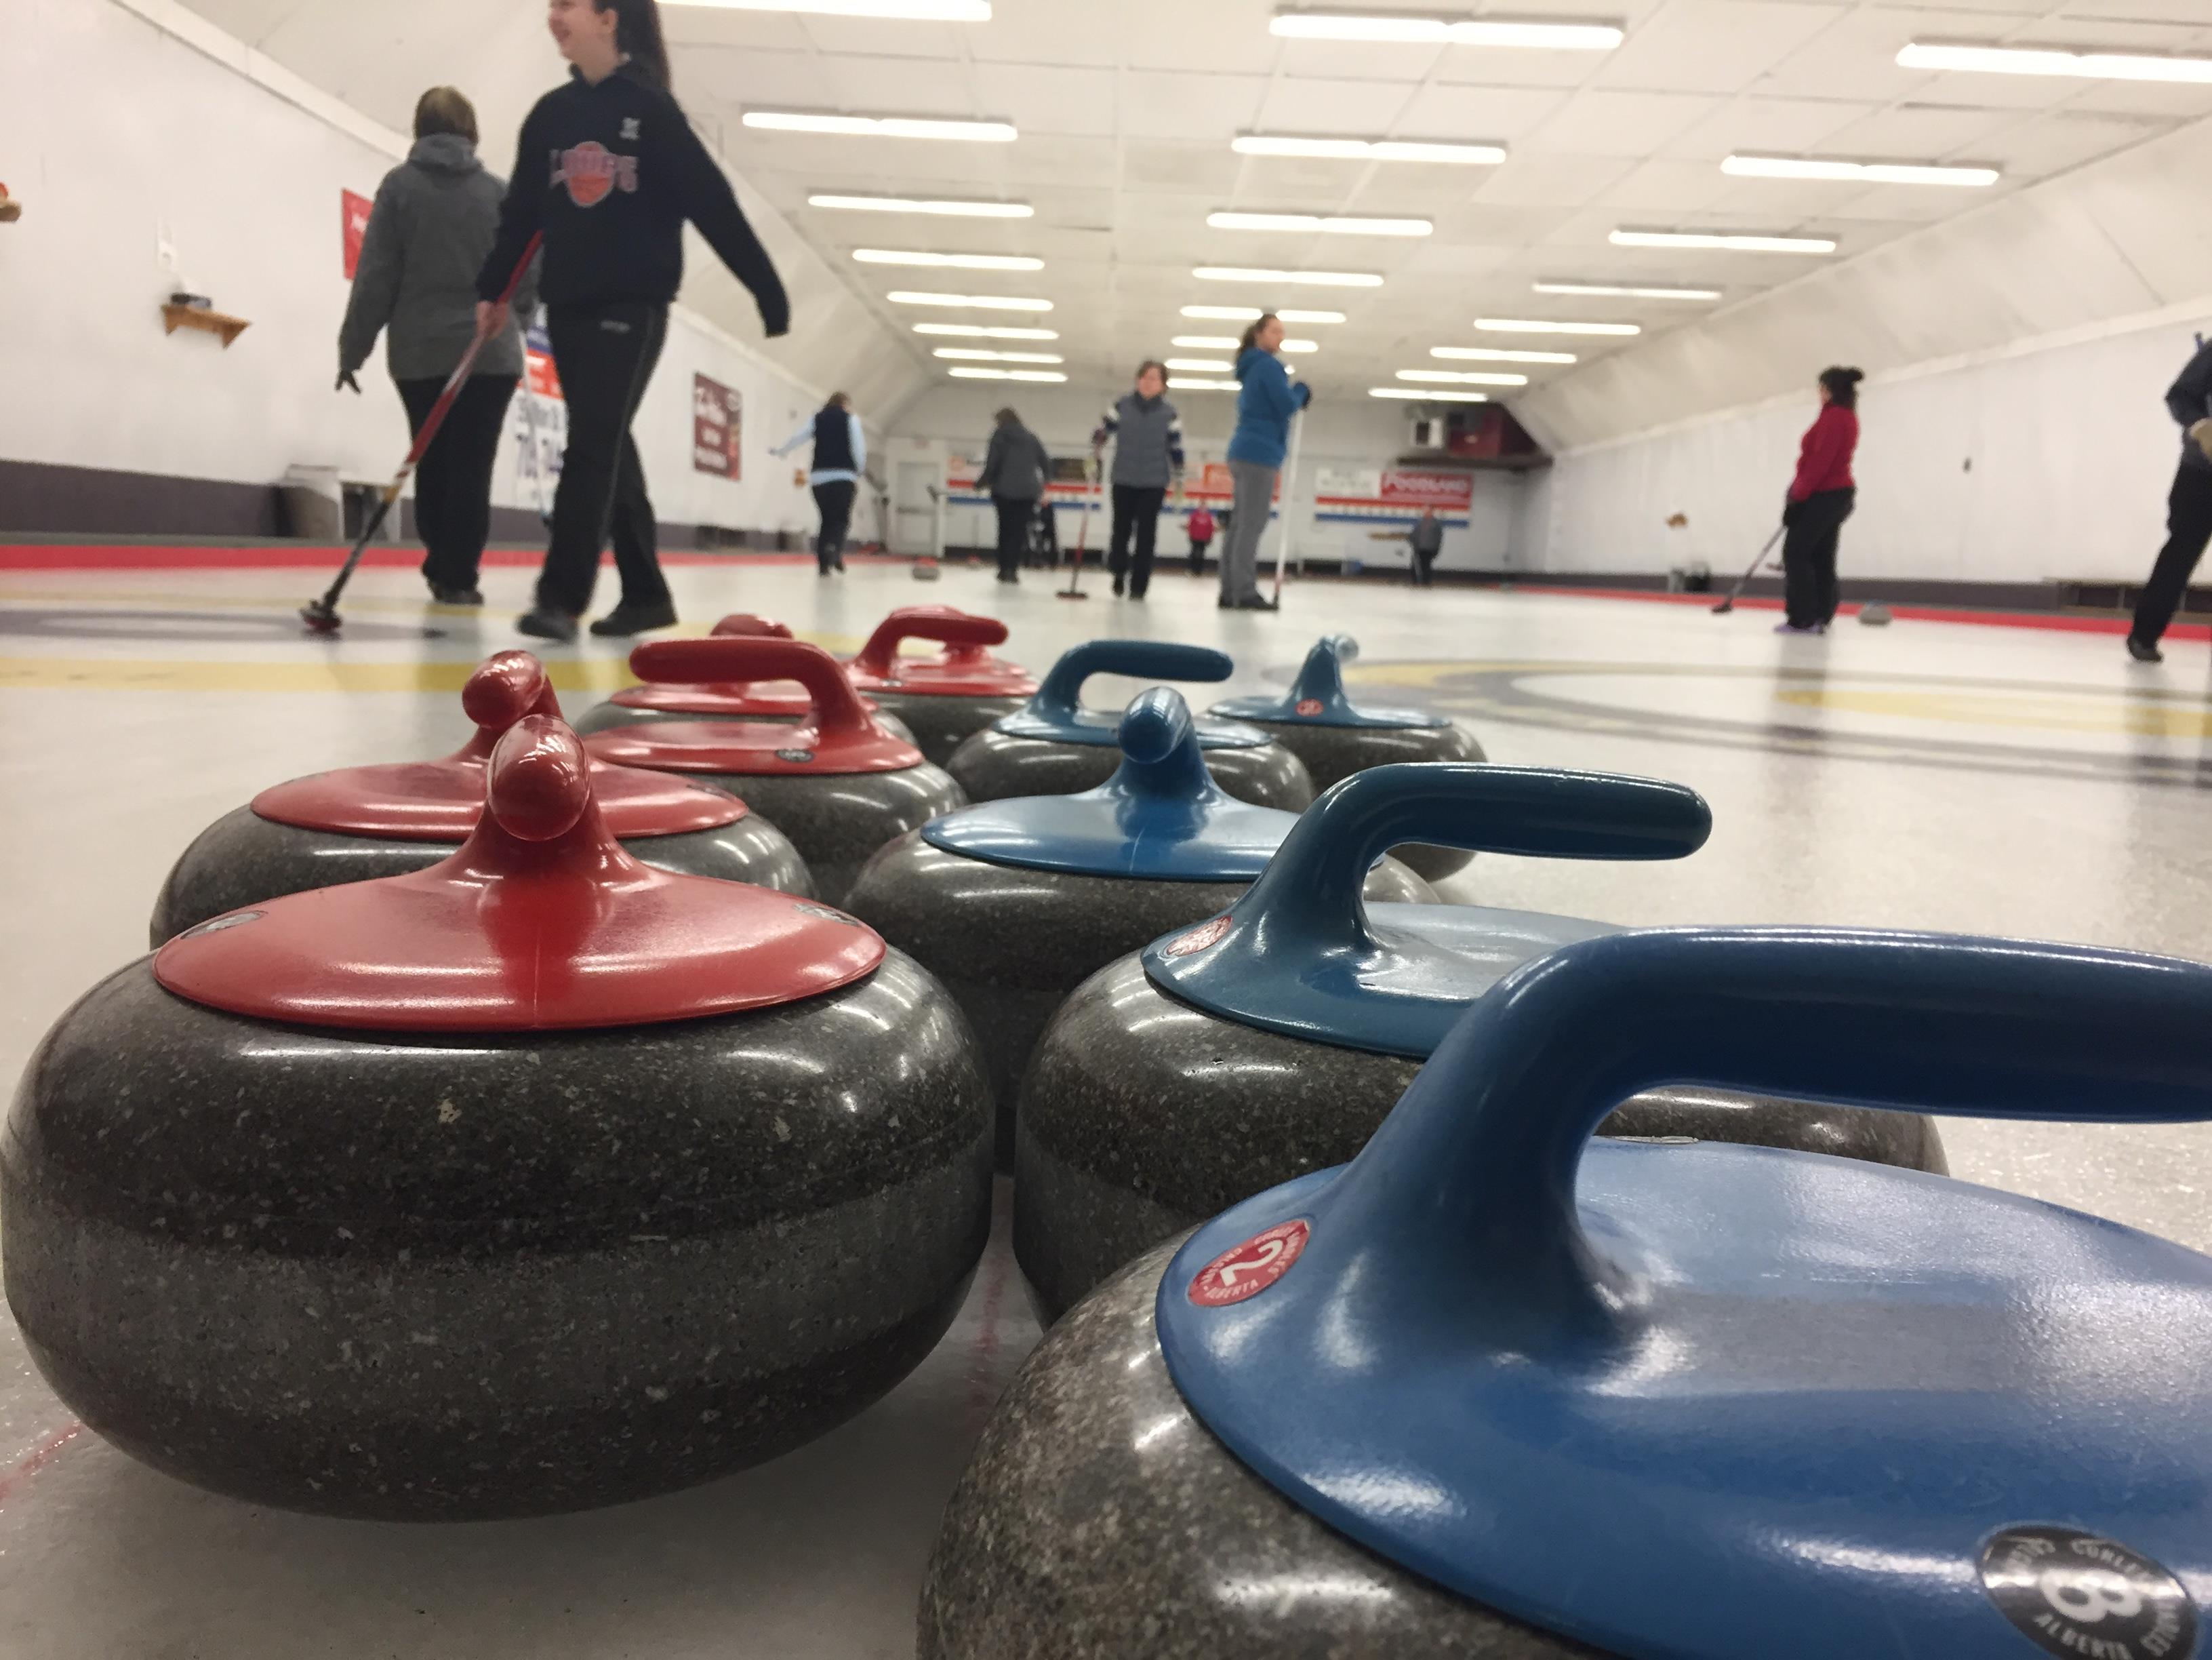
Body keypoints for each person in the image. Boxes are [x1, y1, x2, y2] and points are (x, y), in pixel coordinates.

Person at [477, 0, 790, 644]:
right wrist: (493, 290)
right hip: (568, 304)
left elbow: (713, 204)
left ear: (608, 17)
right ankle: (646, 593)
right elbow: (523, 214)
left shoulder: (650, 111)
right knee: (609, 440)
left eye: (567, 5)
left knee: (591, 441)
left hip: (632, 303)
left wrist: (767, 290)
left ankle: (561, 597)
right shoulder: (551, 115)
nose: (553, 18)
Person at [338, 87, 537, 608]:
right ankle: (459, 574)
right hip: (489, 353)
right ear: (471, 132)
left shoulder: (400, 189)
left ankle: (441, 562)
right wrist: (518, 316)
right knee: (473, 465)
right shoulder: (501, 195)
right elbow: (530, 266)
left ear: (418, 129)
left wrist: (352, 349)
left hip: (420, 352)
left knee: (431, 459)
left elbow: (376, 276)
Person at [2127, 339, 2212, 663]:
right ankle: (2143, 636)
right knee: (2180, 553)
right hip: (2201, 471)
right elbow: (2179, 395)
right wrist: (2200, 426)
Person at [1221, 313, 1311, 612]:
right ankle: (1244, 591)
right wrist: (1300, 391)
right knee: (1252, 524)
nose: (1280, 337)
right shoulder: (1268, 366)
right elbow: (1286, 405)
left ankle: (1229, 589)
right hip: (1259, 453)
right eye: (1275, 331)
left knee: (1239, 524)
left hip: (1242, 451)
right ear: (1259, 334)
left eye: (1282, 332)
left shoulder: (1250, 368)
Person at [1777, 366, 1863, 635]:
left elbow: (1819, 464)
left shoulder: (1834, 418)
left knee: (1796, 552)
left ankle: (1802, 617)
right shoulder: (1843, 416)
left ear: (1828, 390)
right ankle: (1820, 615)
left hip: (1825, 494)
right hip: (1834, 494)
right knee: (1821, 554)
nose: (1819, 393)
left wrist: (1797, 498)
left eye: (1821, 388)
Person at [1093, 362, 1185, 599]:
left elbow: (1176, 447)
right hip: (1124, 477)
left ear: (1163, 385)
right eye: (1144, 377)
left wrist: (1179, 476)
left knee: (1146, 534)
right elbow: (1104, 429)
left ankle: (1139, 584)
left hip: (1154, 481)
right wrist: (1097, 444)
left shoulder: (1169, 413)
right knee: (1121, 530)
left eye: (1154, 378)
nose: (1148, 382)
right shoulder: (1121, 406)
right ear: (1137, 380)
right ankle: (1119, 573)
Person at [773, 393, 864, 576]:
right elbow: (857, 446)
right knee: (841, 519)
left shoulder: (817, 419)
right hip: (843, 477)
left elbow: (799, 436)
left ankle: (823, 563)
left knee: (826, 519)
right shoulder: (850, 419)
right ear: (845, 404)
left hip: (819, 479)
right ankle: (834, 550)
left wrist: (783, 451)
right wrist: (859, 469)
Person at [977, 408, 1049, 584]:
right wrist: (1043, 483)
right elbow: (1045, 462)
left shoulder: (1000, 436)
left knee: (1005, 530)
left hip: (1004, 491)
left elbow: (993, 463)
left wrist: (982, 482)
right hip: (1028, 492)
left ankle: (1003, 569)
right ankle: (1013, 571)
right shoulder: (1032, 437)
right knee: (1019, 531)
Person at [1405, 507, 1444, 588]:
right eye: (1424, 511)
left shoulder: (1436, 524)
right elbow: (1414, 533)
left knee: (1426, 565)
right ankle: (1415, 581)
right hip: (1418, 547)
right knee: (1415, 564)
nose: (1425, 512)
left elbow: (1438, 537)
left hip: (1429, 548)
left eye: (1427, 511)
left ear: (1431, 512)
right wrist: (1410, 538)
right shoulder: (1420, 522)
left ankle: (1426, 581)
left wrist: (1437, 548)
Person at [1185, 502, 1215, 578]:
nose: (1203, 508)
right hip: (1195, 538)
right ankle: (1192, 569)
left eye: (1205, 507)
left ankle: (1199, 571)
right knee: (1194, 553)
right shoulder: (1194, 515)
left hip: (1204, 538)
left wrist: (1210, 537)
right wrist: (1190, 535)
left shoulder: (1208, 517)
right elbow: (1191, 526)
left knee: (1201, 554)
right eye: (1202, 506)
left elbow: (1210, 528)